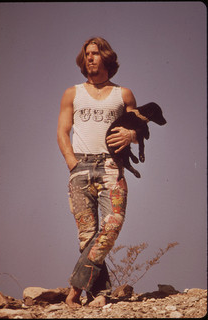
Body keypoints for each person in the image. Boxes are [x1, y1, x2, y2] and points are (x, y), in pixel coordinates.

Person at [57, 37, 138, 308]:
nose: (90, 57)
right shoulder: (72, 93)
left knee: (112, 224)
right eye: (87, 54)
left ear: (106, 58)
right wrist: (72, 162)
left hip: (112, 167)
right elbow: (62, 131)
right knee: (87, 236)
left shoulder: (123, 94)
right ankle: (99, 294)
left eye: (95, 53)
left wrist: (131, 133)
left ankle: (75, 290)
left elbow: (141, 128)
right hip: (80, 167)